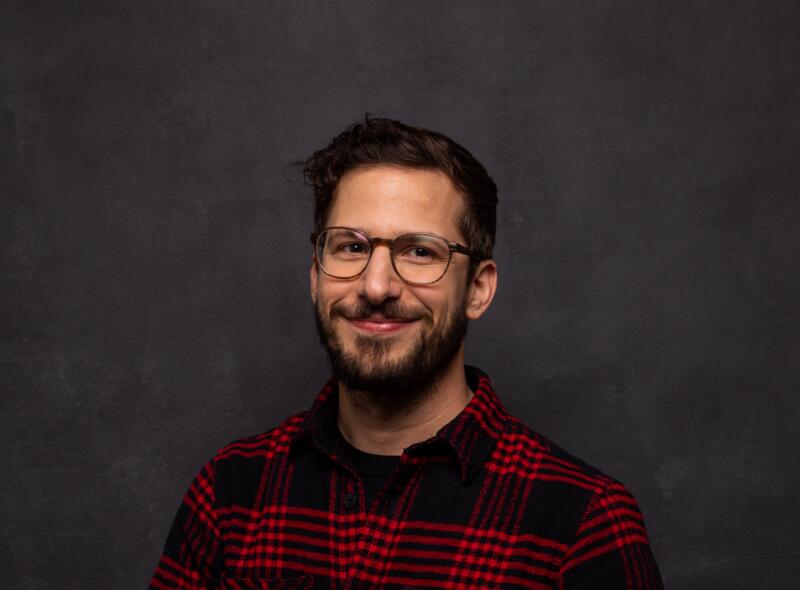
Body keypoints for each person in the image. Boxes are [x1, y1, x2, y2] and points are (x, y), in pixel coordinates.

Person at [149, 117, 663, 589]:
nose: (376, 286)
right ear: (315, 276)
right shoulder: (231, 491)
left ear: (478, 289)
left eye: (420, 251)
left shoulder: (581, 522)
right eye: (350, 247)